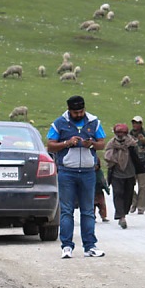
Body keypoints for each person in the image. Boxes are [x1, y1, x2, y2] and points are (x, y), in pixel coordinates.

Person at [46, 95, 106, 258]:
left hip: (88, 172)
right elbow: (50, 145)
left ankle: (90, 246)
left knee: (88, 211)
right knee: (67, 210)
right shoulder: (59, 123)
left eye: (81, 111)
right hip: (67, 172)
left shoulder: (94, 122)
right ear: (69, 110)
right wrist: (67, 143)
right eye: (75, 112)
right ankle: (66, 246)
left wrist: (91, 143)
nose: (78, 114)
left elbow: (102, 143)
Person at [104, 123, 139, 229]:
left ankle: (124, 212)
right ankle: (121, 217)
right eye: (118, 132)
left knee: (128, 195)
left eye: (122, 132)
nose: (120, 135)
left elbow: (137, 158)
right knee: (118, 193)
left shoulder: (132, 143)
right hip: (116, 174)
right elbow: (107, 156)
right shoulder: (111, 144)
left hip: (130, 173)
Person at [129, 115, 145, 214]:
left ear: (141, 124)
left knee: (143, 187)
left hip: (143, 162)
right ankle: (134, 202)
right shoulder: (129, 134)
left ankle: (141, 207)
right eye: (134, 123)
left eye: (137, 123)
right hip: (132, 163)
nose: (135, 125)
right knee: (129, 184)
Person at [93, 154, 110, 222]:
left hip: (99, 192)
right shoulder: (89, 173)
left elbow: (103, 182)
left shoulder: (99, 173)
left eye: (96, 165)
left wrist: (107, 189)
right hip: (91, 192)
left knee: (102, 205)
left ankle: (103, 217)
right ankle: (92, 217)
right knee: (92, 206)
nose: (95, 167)